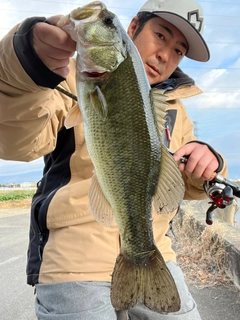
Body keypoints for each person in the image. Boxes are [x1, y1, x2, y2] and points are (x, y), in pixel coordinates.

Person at [0, 0, 228, 319]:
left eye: (179, 50)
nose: (166, 54)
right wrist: (22, 66)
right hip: (73, 262)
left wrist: (209, 163)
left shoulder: (176, 109)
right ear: (132, 27)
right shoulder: (62, 78)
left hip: (155, 254)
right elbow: (14, 144)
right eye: (161, 35)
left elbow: (181, 184)